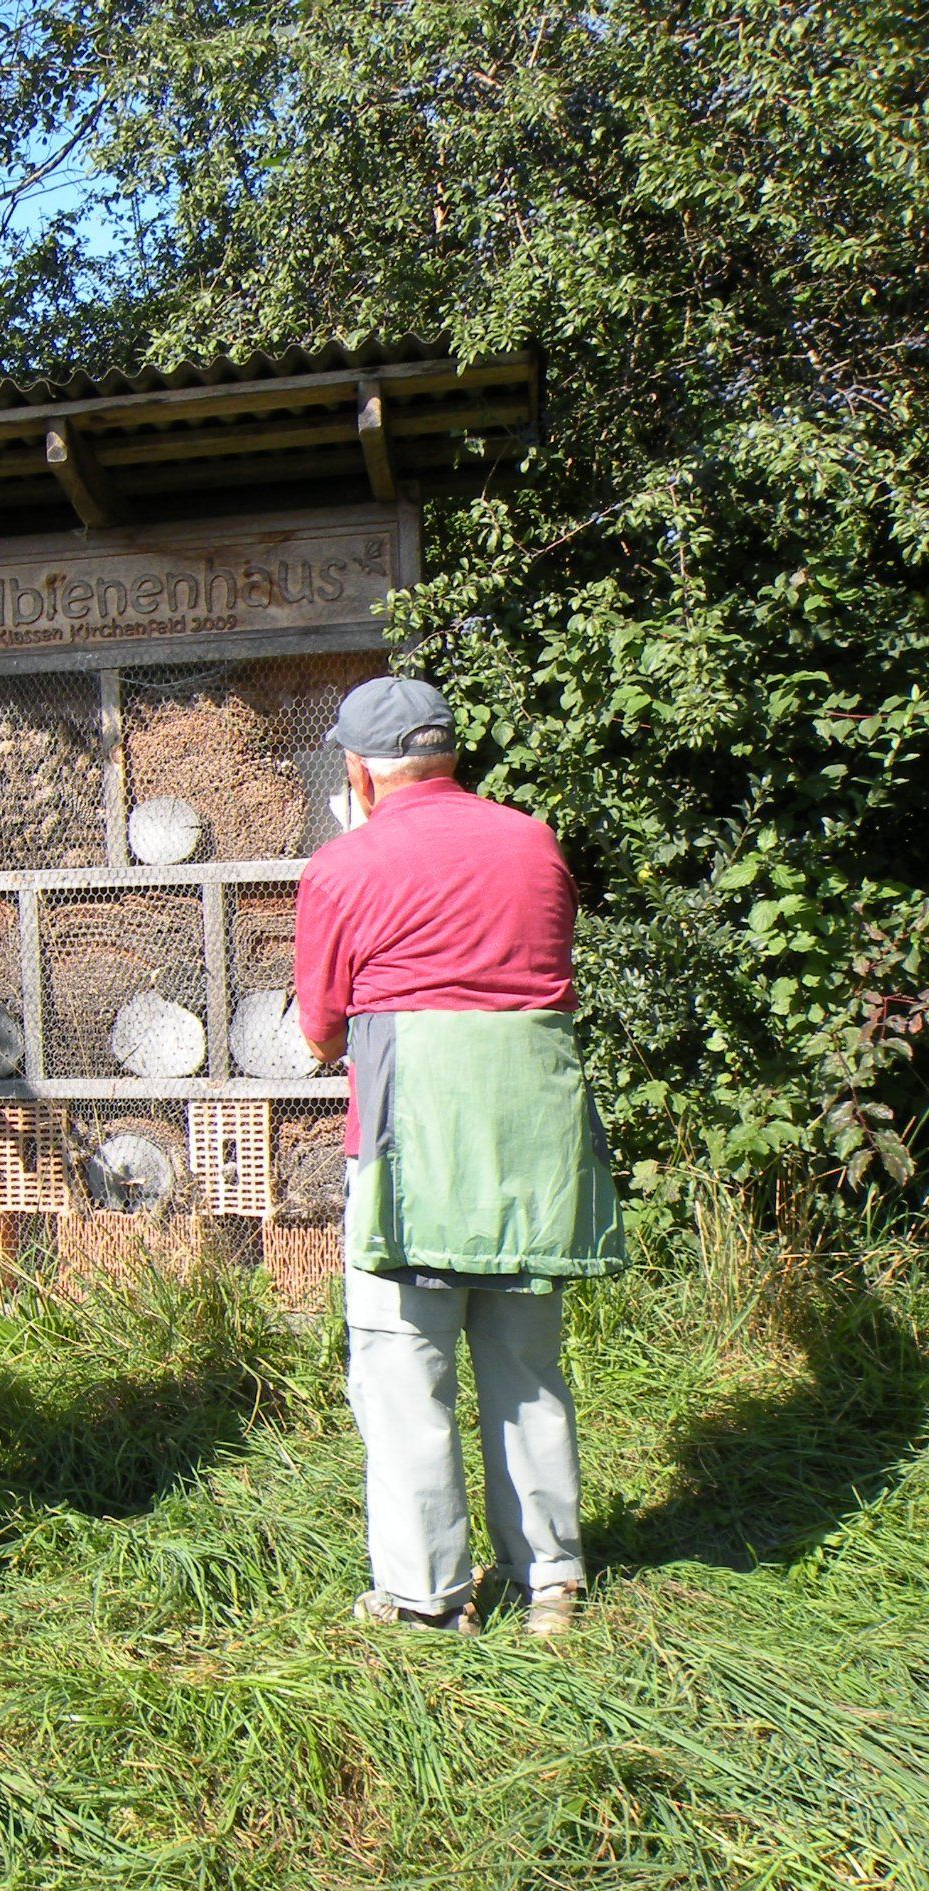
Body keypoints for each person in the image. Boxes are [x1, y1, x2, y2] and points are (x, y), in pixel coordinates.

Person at [295, 676, 624, 1639]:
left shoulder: (344, 864)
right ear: (448, 756)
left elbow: (320, 1034)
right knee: (526, 1364)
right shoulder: (532, 841)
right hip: (533, 1139)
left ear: (358, 770)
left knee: (404, 1370)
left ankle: (428, 1597)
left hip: (414, 1146)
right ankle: (552, 1581)